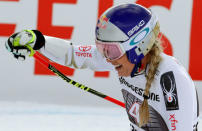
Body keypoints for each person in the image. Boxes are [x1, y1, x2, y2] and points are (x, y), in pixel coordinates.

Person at [5, 3, 199, 131]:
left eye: (111, 51)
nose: (108, 58)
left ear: (139, 46)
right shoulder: (126, 60)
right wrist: (38, 41)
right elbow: (73, 54)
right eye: (102, 48)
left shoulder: (170, 78)